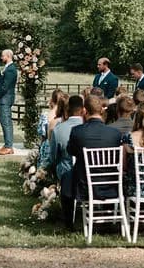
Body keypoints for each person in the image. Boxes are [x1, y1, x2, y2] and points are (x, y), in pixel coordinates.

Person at [68, 95, 123, 208]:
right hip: (111, 184)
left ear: (85, 111)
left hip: (85, 185)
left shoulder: (77, 131)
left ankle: (67, 220)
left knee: (66, 177)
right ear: (102, 110)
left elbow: (71, 151)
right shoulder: (115, 133)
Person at [50, 95, 85, 229]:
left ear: (68, 110)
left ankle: (67, 217)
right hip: (90, 174)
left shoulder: (59, 129)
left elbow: (53, 156)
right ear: (83, 110)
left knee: (62, 166)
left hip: (66, 173)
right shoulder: (86, 127)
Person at [0, 49, 18, 155]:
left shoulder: (11, 69)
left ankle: (8, 146)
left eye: (2, 56)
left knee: (6, 122)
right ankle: (7, 145)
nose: (1, 57)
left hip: (5, 98)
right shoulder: (8, 68)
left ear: (8, 56)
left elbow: (4, 87)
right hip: (5, 98)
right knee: (5, 122)